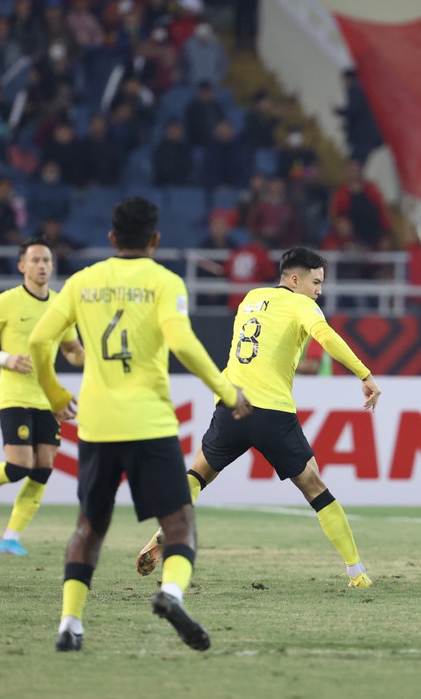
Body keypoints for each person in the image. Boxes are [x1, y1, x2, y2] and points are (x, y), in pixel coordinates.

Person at [27, 197, 252, 653]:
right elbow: (183, 344)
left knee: (88, 527)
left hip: (96, 424)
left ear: (111, 238)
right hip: (149, 422)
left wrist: (54, 394)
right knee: (179, 524)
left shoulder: (82, 282)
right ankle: (170, 595)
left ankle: (70, 624)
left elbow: (38, 340)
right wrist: (227, 391)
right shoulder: (164, 282)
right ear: (155, 240)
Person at [134, 247, 382, 588]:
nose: (319, 291)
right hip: (271, 411)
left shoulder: (249, 299)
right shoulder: (302, 304)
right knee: (314, 486)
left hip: (230, 403)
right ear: (295, 280)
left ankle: (168, 528)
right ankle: (357, 572)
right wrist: (364, 374)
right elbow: (326, 337)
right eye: (316, 282)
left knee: (196, 473)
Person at [0, 237, 85, 553]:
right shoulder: (7, 301)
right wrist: (5, 358)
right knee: (19, 465)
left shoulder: (61, 304)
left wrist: (91, 356)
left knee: (42, 468)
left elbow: (72, 350)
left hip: (48, 398)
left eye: (47, 261)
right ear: (22, 265)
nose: (42, 266)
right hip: (14, 395)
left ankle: (10, 537)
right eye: (36, 260)